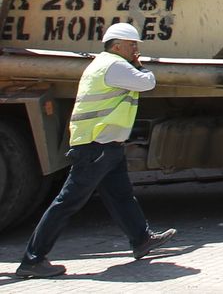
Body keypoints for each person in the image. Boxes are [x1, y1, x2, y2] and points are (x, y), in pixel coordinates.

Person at [15, 22, 177, 279]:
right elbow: (148, 82)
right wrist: (140, 65)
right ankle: (32, 260)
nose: (136, 49)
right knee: (67, 202)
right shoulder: (114, 65)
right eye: (132, 44)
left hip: (105, 145)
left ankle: (141, 239)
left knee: (121, 195)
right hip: (96, 146)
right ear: (116, 45)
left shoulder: (105, 63)